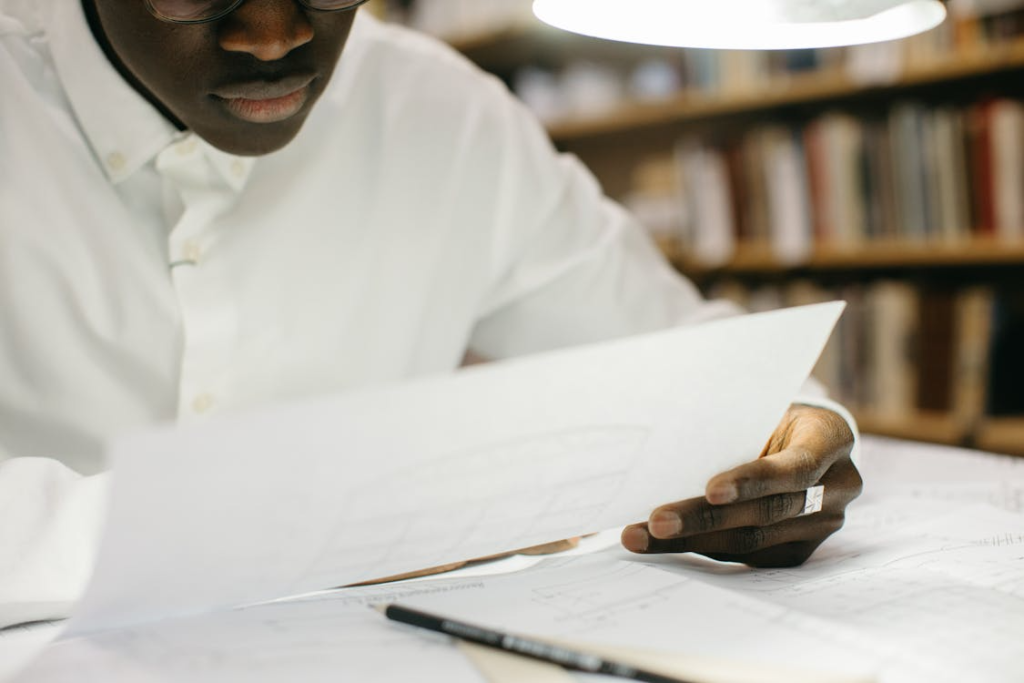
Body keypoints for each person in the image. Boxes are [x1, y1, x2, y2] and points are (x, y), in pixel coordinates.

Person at [0, 0, 863, 629]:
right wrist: (243, 525)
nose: (273, 34)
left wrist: (788, 429)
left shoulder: (443, 114)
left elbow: (677, 345)